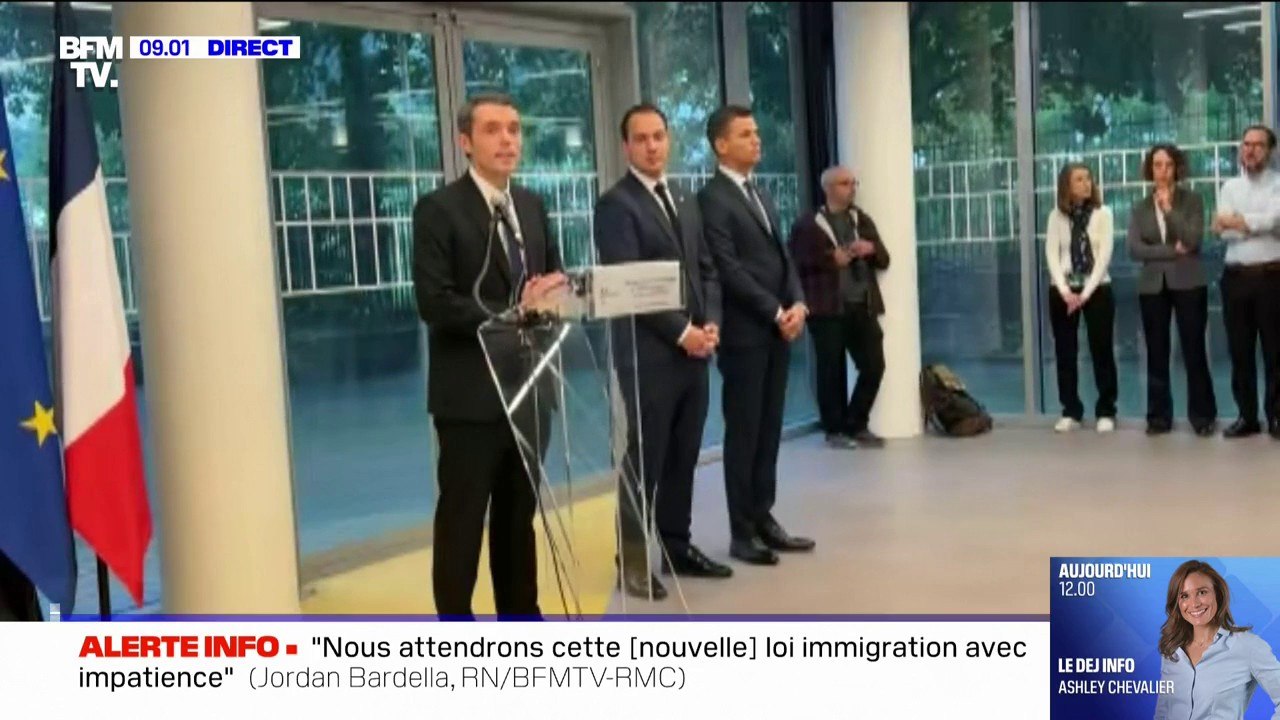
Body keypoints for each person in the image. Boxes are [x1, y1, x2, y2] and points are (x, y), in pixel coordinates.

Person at [412, 92, 566, 620]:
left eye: (515, 129)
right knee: (462, 521)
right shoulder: (438, 210)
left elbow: (550, 279)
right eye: (493, 130)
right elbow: (434, 302)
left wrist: (558, 293)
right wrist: (512, 312)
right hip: (471, 397)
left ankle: (521, 620)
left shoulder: (531, 205)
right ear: (465, 142)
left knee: (517, 518)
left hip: (529, 388)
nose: (508, 140)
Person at [593, 103, 732, 600]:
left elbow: (707, 269)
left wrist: (710, 322)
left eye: (659, 136)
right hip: (648, 355)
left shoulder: (684, 198)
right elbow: (630, 286)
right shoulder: (615, 206)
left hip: (695, 351)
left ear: (668, 139)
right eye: (641, 138)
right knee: (645, 459)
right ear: (626, 146)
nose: (652, 146)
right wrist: (683, 332)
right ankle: (631, 561)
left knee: (683, 454)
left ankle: (676, 545)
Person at [698, 104, 815, 566]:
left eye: (756, 132)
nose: (756, 140)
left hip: (778, 331)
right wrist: (775, 310)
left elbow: (783, 258)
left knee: (769, 430)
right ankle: (741, 531)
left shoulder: (761, 193)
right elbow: (728, 268)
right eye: (745, 134)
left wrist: (799, 304)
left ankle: (764, 515)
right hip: (746, 334)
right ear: (720, 145)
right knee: (744, 431)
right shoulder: (711, 199)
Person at [789, 166, 889, 449]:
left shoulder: (861, 219)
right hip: (826, 309)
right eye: (845, 183)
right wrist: (832, 260)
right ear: (829, 188)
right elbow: (796, 265)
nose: (852, 188)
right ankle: (834, 429)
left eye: (853, 182)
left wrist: (870, 250)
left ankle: (856, 423)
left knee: (874, 365)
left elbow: (884, 259)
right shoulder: (808, 225)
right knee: (830, 370)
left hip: (862, 305)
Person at [1127, 144, 1217, 436]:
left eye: (1167, 164)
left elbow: (1192, 239)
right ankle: (1158, 417)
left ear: (1177, 168)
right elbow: (1135, 249)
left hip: (1189, 282)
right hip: (1153, 286)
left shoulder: (1192, 200)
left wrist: (1168, 210)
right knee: (1156, 352)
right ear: (1150, 169)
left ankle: (1202, 418)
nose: (1162, 171)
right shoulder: (1139, 207)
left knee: (1194, 350)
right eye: (1156, 165)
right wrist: (1171, 251)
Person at [1211, 124, 1280, 440]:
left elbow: (1275, 220)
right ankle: (1247, 416)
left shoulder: (1278, 184)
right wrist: (1254, 224)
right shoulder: (1229, 188)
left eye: (1258, 145)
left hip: (1271, 277)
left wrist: (1241, 222)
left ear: (1270, 151)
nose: (1250, 150)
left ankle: (1276, 417)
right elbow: (1221, 230)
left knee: (1275, 352)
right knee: (1240, 351)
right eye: (1246, 144)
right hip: (1235, 278)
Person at [1154, 560, 1280, 719]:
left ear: (1218, 594)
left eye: (1202, 592)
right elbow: (1163, 713)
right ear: (1177, 603)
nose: (1194, 603)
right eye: (1184, 596)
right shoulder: (1172, 651)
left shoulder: (1247, 646)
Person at [1044, 162, 1118, 433]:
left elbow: (1105, 255)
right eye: (1079, 179)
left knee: (1102, 350)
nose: (1086, 183)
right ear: (1066, 185)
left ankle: (1106, 410)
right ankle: (1071, 410)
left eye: (1088, 179)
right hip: (1063, 290)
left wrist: (1085, 293)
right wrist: (1065, 291)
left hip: (1097, 288)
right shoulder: (1056, 216)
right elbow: (1052, 253)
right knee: (1066, 352)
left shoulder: (1103, 214)